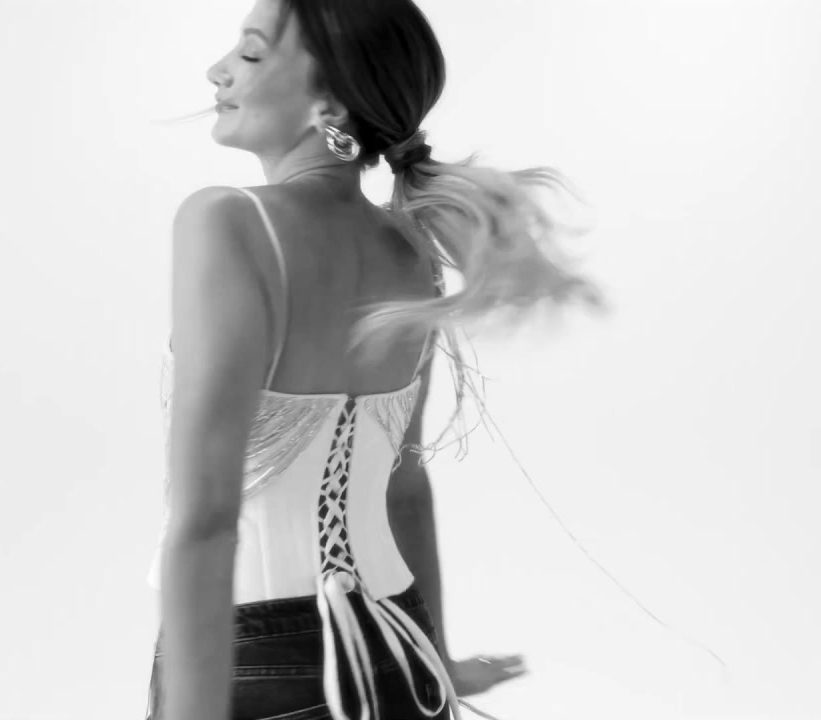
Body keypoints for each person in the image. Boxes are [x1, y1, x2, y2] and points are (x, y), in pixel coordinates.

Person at [145, 1, 600, 718]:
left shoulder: (226, 221)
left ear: (328, 105)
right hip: (402, 652)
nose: (217, 71)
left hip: (252, 666)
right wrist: (439, 661)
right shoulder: (412, 255)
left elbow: (208, 519)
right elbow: (403, 487)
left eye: (252, 54)